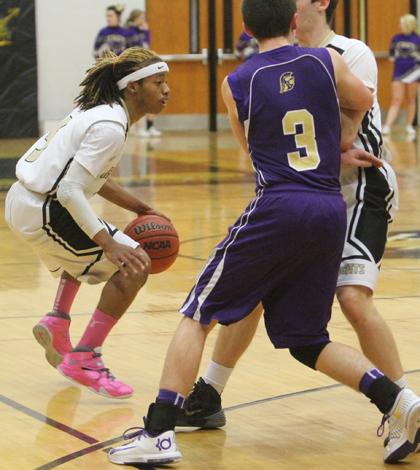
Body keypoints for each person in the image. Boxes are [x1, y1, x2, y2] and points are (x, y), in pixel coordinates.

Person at [108, 0, 420, 465]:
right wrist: (337, 144)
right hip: (329, 207)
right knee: (307, 338)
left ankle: (158, 432)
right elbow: (365, 100)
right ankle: (396, 400)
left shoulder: (237, 82)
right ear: (294, 21)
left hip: (279, 203)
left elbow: (252, 153)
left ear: (245, 27)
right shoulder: (326, 59)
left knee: (198, 312)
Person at [5, 47, 170, 399]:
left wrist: (140, 208)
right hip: (45, 207)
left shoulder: (102, 113)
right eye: (158, 82)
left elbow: (92, 179)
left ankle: (58, 320)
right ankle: (85, 358)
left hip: (31, 201)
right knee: (134, 265)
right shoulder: (109, 126)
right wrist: (109, 242)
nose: (167, 89)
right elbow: (69, 189)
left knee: (93, 247)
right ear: (133, 88)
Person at [126, 9, 162, 138]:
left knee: (152, 95)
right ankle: (137, 127)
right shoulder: (129, 31)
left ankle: (150, 125)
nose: (143, 20)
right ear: (135, 18)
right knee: (137, 97)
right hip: (133, 67)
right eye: (141, 17)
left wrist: (146, 32)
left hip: (144, 66)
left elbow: (147, 46)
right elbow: (130, 50)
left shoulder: (142, 31)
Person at [383, 14, 420, 136]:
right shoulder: (396, 38)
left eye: (402, 24)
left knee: (411, 99)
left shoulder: (417, 39)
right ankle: (387, 126)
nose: (400, 26)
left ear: (409, 25)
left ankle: (409, 125)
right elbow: (391, 55)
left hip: (414, 71)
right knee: (396, 99)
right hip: (399, 71)